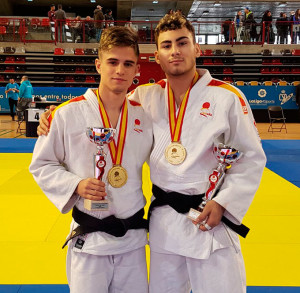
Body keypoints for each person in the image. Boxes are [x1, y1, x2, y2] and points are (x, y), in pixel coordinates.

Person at [37, 13, 266, 293]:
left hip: (210, 217)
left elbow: (251, 158)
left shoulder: (228, 97)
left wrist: (225, 203)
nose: (175, 51)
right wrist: (52, 115)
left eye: (182, 43)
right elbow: (105, 103)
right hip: (164, 227)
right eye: (167, 45)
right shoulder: (146, 97)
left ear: (197, 48)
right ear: (156, 57)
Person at [29, 26, 152, 293]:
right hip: (90, 238)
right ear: (98, 65)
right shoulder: (65, 114)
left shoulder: (146, 117)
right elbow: (41, 164)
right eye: (113, 62)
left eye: (128, 63)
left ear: (137, 70)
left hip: (132, 241)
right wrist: (76, 185)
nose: (120, 70)